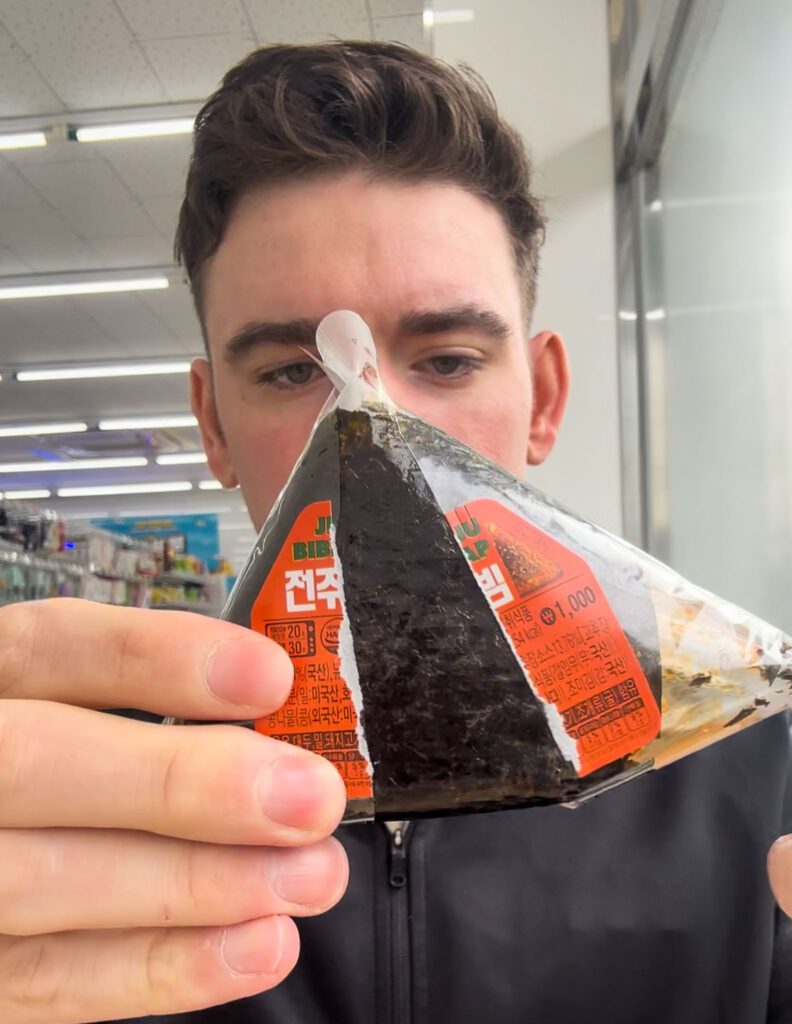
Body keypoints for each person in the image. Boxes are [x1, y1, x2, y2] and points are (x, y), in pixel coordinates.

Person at [0, 40, 790, 1024]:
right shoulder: (74, 805)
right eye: (296, 373)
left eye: (449, 359)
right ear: (211, 423)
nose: (373, 433)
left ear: (542, 398)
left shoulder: (754, 767)